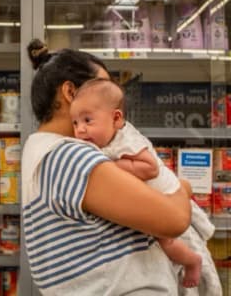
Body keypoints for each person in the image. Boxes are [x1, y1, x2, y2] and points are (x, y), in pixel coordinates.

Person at [22, 39, 192, 295]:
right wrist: (181, 188)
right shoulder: (69, 156)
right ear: (70, 93)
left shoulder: (38, 152)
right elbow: (175, 219)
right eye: (101, 88)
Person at [70, 78, 220, 292]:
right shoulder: (103, 142)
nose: (80, 130)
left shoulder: (126, 140)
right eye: (75, 123)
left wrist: (115, 166)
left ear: (116, 118)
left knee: (166, 242)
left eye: (87, 120)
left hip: (167, 197)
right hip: (157, 201)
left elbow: (150, 168)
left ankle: (192, 261)